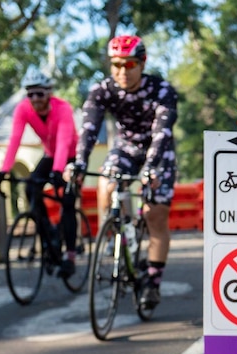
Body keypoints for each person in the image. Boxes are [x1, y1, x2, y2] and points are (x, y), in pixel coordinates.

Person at [69, 34, 179, 309]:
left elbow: (162, 132)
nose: (122, 72)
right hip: (126, 148)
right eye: (116, 65)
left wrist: (152, 168)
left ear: (142, 63)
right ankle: (117, 233)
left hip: (158, 150)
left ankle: (152, 282)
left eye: (129, 65)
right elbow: (90, 129)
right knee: (106, 183)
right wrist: (79, 162)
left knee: (156, 215)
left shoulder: (161, 90)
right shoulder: (102, 89)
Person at [0, 66, 80, 277]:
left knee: (68, 202)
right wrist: (4, 170)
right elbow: (15, 139)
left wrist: (59, 171)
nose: (35, 98)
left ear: (49, 92)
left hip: (69, 156)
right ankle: (49, 233)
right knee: (31, 189)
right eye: (30, 93)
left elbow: (63, 142)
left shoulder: (63, 109)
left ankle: (70, 256)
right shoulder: (23, 109)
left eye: (39, 93)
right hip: (50, 155)